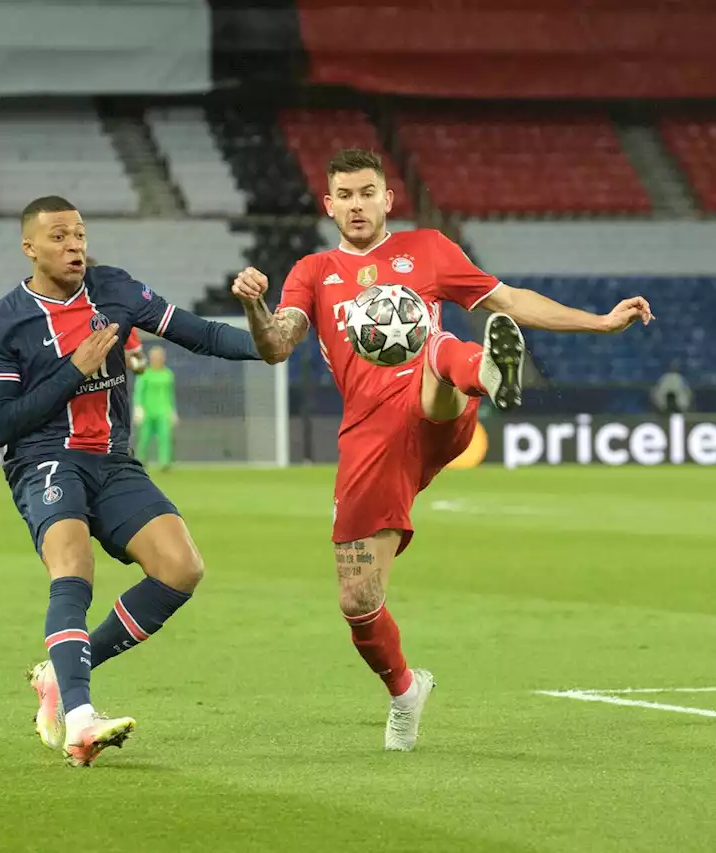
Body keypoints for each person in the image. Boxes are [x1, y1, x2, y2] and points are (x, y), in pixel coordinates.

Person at [231, 148, 652, 752]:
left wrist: (601, 322)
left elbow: (508, 300)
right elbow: (276, 345)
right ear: (329, 205)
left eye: (367, 192)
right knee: (358, 600)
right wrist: (253, 305)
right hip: (371, 439)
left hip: (434, 406)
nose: (356, 204)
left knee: (438, 347)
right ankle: (405, 690)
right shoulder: (314, 271)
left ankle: (491, 371)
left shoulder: (427, 249)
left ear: (387, 199)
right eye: (344, 195)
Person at [0, 195, 258, 767]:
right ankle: (81, 722)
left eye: (79, 234)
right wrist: (75, 368)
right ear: (30, 247)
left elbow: (198, 333)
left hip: (112, 460)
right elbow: (0, 424)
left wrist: (268, 344)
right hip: (44, 460)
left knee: (182, 569)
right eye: (58, 237)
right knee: (74, 569)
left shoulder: (115, 289)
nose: (74, 245)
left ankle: (60, 678)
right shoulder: (5, 321)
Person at [133, 345, 177, 471]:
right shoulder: (145, 374)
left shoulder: (168, 374)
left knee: (165, 437)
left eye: (159, 356)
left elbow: (170, 394)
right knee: (144, 438)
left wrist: (172, 411)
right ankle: (141, 460)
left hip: (163, 410)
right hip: (148, 411)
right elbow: (139, 392)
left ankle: (165, 462)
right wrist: (138, 408)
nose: (157, 359)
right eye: (155, 357)